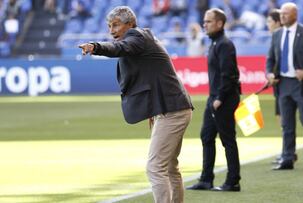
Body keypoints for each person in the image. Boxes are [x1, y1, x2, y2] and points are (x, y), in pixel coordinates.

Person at [78, 6, 193, 203]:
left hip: (172, 110)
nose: (111, 30)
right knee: (170, 167)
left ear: (130, 24)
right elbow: (149, 77)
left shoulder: (137, 37)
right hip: (170, 107)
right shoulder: (141, 40)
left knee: (155, 167)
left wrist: (96, 46)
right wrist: (152, 110)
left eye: (116, 25)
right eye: (109, 26)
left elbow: (119, 48)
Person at [266, 2, 303, 171]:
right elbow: (270, 59)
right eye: (281, 13)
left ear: (295, 15)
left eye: (286, 13)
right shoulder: (276, 34)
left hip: (302, 84)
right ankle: (287, 159)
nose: (282, 16)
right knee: (287, 125)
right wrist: (269, 74)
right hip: (283, 84)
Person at [187, 8, 241, 191]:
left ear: (219, 23)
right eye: (204, 21)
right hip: (215, 98)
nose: (204, 24)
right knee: (207, 136)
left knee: (227, 139)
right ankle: (206, 179)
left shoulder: (224, 44)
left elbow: (230, 75)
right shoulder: (214, 43)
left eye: (208, 21)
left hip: (223, 99)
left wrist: (219, 98)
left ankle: (233, 181)